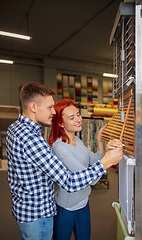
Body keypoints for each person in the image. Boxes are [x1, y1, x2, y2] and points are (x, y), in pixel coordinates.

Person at [6, 82, 123, 240]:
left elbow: (92, 162)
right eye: (49, 107)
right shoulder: (33, 140)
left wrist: (100, 142)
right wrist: (107, 162)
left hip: (32, 209)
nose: (53, 112)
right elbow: (69, 182)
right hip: (38, 214)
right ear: (33, 107)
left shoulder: (16, 128)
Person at [48, 99, 121, 240]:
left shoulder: (77, 140)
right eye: (72, 117)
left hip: (83, 202)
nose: (78, 119)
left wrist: (99, 139)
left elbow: (94, 161)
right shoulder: (59, 147)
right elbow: (91, 179)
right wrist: (108, 161)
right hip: (67, 207)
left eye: (78, 114)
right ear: (60, 123)